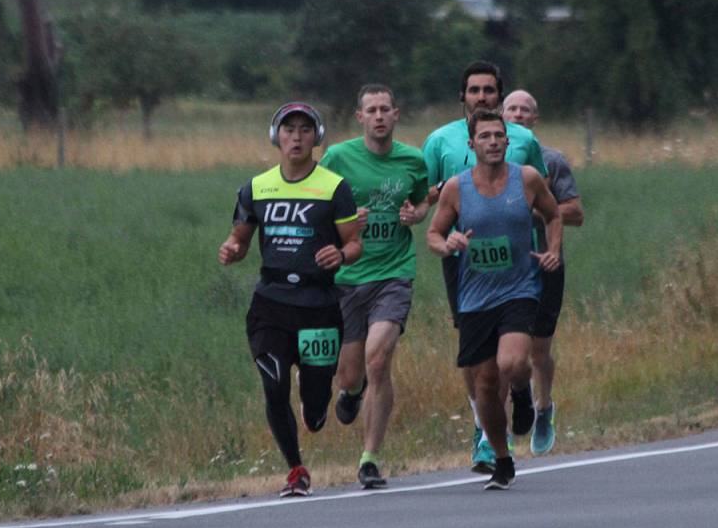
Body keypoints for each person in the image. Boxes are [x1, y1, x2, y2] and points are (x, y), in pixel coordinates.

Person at [218, 102, 362, 498]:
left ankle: (314, 404)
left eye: (303, 129)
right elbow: (241, 238)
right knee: (274, 383)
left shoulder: (334, 187)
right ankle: (296, 469)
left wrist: (341, 255)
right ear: (276, 137)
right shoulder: (256, 187)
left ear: (315, 137)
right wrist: (232, 248)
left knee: (316, 410)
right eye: (288, 129)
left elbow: (354, 244)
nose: (296, 137)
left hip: (319, 304)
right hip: (271, 303)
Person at [421, 60, 549, 474]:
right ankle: (486, 432)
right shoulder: (440, 140)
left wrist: (550, 246)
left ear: (499, 95)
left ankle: (517, 403)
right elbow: (427, 199)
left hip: (517, 268)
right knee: (479, 367)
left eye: (488, 90)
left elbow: (545, 198)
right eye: (473, 90)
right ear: (463, 96)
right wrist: (423, 218)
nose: (481, 97)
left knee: (511, 360)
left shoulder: (525, 140)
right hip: (466, 265)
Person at [319, 84, 429, 489]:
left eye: (386, 109)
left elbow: (422, 201)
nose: (380, 116)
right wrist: (346, 223)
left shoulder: (413, 160)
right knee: (350, 376)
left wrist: (414, 216)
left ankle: (369, 458)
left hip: (394, 273)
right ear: (359, 116)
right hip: (348, 278)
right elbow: (319, 207)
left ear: (396, 115)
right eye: (372, 110)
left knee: (378, 360)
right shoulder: (338, 157)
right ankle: (351, 392)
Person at [502, 89, 585, 456]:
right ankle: (496, 425)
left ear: (535, 120)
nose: (518, 114)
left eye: (526, 110)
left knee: (537, 350)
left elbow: (576, 213)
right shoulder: (484, 164)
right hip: (500, 269)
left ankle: (544, 407)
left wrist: (537, 212)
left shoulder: (551, 161)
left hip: (545, 264)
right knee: (500, 352)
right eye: (512, 109)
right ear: (500, 116)